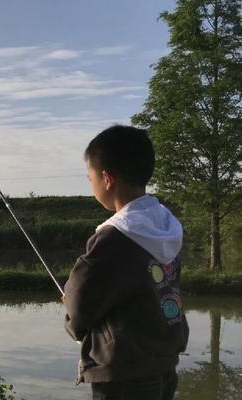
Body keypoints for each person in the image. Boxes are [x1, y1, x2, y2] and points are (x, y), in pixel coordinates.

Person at [63, 125, 189, 399]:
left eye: (90, 178)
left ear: (107, 178)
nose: (91, 184)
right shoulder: (166, 224)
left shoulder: (114, 236)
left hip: (124, 370)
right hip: (164, 360)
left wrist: (72, 323)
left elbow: (80, 298)